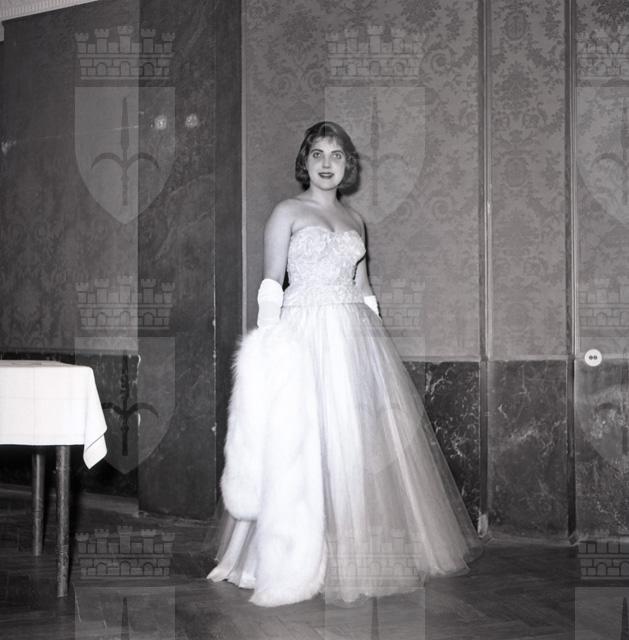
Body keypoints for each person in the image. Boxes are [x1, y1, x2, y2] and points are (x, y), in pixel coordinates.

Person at [207, 121, 482, 607]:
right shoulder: (287, 212)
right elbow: (271, 283)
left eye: (336, 155)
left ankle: (347, 553)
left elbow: (364, 288)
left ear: (347, 165)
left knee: (351, 442)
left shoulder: (356, 220)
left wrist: (375, 348)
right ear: (305, 161)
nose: (327, 163)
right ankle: (279, 557)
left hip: (352, 337)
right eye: (318, 154)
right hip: (301, 335)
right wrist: (268, 349)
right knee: (298, 442)